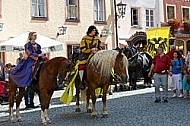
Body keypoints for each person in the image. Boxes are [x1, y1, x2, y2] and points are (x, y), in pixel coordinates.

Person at [10, 31, 43, 108]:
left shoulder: (38, 45)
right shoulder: (27, 45)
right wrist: (37, 55)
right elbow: (29, 53)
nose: (35, 37)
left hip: (38, 59)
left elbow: (39, 51)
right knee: (28, 70)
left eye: (36, 35)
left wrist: (41, 54)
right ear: (30, 36)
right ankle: (29, 81)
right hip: (30, 60)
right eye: (34, 35)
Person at [78, 25, 103, 90]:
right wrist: (90, 50)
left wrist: (97, 50)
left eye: (95, 30)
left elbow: (100, 47)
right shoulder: (84, 38)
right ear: (90, 31)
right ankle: (82, 81)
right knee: (81, 66)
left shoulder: (97, 38)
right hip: (86, 55)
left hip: (96, 54)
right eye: (93, 30)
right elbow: (83, 48)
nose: (94, 31)